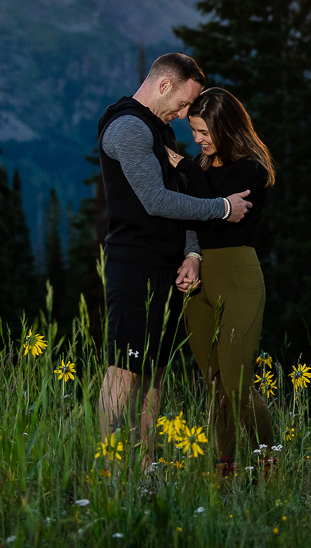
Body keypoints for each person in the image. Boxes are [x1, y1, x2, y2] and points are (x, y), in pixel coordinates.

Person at [95, 54, 252, 464]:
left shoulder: (159, 130)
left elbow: (178, 198)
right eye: (184, 104)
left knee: (153, 377)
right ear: (164, 85)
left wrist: (192, 252)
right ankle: (113, 471)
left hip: (166, 266)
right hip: (134, 264)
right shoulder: (128, 126)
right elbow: (157, 200)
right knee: (124, 371)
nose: (185, 115)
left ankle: (145, 470)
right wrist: (221, 207)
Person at [165, 87, 276, 474]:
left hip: (237, 274)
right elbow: (194, 215)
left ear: (226, 127)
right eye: (194, 131)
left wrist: (187, 168)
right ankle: (224, 473)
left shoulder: (251, 168)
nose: (197, 140)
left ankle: (269, 462)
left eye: (204, 132)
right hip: (199, 277)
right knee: (213, 383)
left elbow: (219, 211)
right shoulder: (203, 166)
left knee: (237, 382)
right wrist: (190, 257)